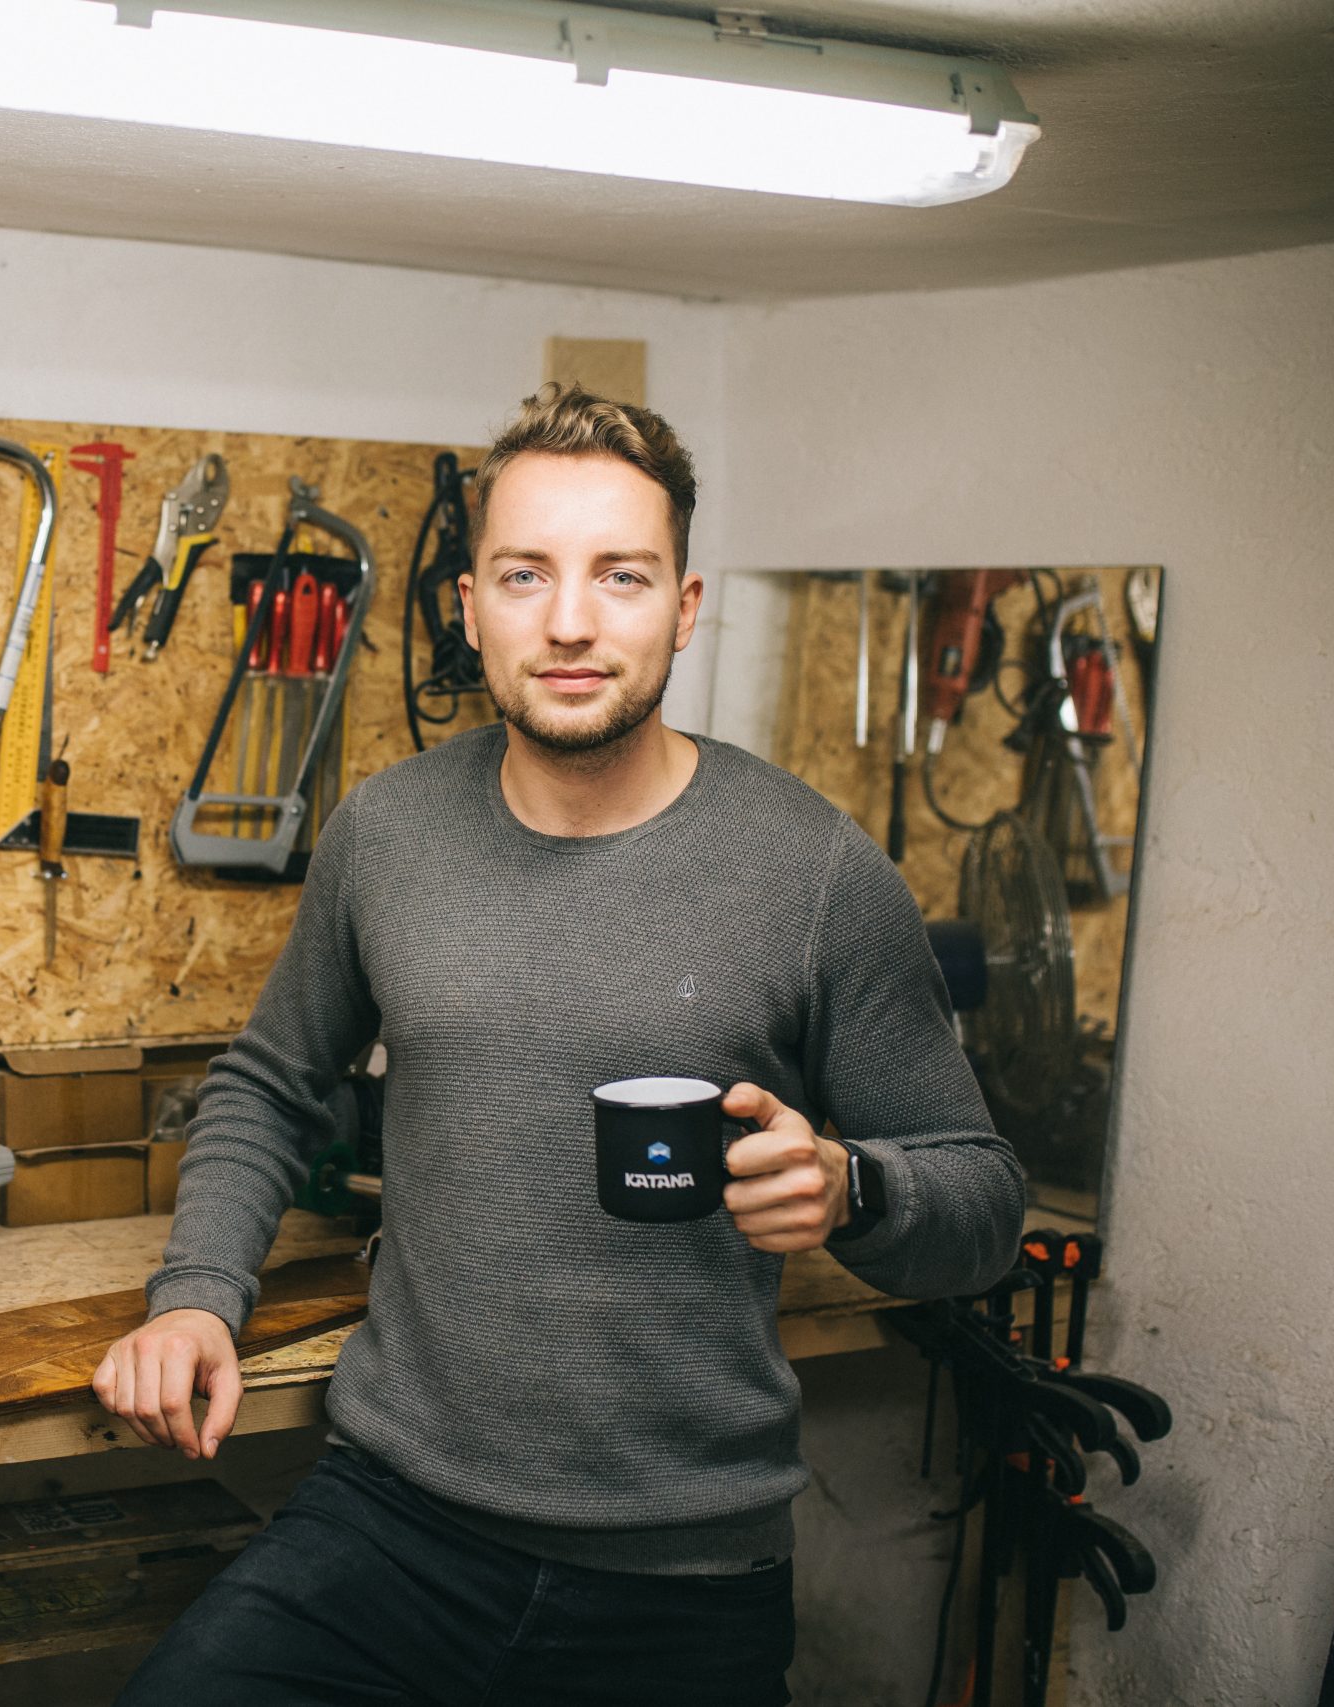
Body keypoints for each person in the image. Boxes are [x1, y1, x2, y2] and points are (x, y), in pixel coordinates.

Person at [94, 383, 1026, 1706]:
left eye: (622, 576)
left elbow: (983, 1202)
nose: (572, 621)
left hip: (683, 1582)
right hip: (388, 1528)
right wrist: (196, 1295)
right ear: (468, 607)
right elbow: (272, 1079)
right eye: (525, 575)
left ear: (685, 609)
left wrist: (852, 1187)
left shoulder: (814, 869)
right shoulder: (388, 833)